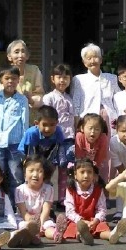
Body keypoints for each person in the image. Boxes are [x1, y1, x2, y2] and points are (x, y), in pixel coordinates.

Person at [60, 158, 126, 245]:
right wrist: (82, 221)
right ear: (75, 175)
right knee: (75, 228)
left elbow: (102, 209)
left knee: (101, 227)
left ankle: (111, 236)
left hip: (93, 220)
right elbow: (69, 211)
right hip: (77, 221)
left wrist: (96, 220)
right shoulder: (71, 189)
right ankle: (82, 236)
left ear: (94, 175)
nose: (86, 176)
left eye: (89, 172)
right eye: (82, 172)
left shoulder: (98, 189)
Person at [0, 65, 30, 199]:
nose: (10, 81)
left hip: (15, 143)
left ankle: (16, 205)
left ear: (18, 80)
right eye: (7, 78)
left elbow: (25, 123)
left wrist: (24, 145)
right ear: (1, 80)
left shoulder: (22, 99)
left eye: (13, 78)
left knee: (16, 176)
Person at [41, 63, 76, 199]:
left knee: (66, 169)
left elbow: (73, 118)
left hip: (68, 138)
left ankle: (63, 199)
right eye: (59, 77)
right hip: (53, 138)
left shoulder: (70, 98)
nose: (62, 80)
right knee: (49, 168)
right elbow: (45, 117)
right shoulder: (49, 97)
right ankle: (45, 198)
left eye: (66, 77)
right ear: (52, 79)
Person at [0, 40, 45, 124]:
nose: (20, 55)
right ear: (9, 56)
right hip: (9, 120)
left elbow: (40, 95)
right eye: (16, 52)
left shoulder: (34, 70)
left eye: (23, 52)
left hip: (31, 120)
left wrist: (31, 100)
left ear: (27, 56)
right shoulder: (4, 73)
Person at [71, 43, 118, 126]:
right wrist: (77, 124)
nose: (92, 61)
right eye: (89, 58)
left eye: (95, 57)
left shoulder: (111, 78)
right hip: (87, 120)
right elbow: (75, 104)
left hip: (109, 121)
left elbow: (118, 99)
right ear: (84, 62)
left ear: (101, 60)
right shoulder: (78, 79)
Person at [14, 155, 54, 246]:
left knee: (49, 226)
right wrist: (33, 224)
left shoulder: (49, 189)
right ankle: (30, 236)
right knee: (22, 226)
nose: (35, 175)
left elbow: (46, 210)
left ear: (44, 174)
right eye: (31, 171)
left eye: (40, 171)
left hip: (42, 218)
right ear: (25, 174)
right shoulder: (19, 190)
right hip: (25, 219)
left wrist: (41, 224)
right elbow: (23, 212)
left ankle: (56, 234)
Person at [18, 105, 67, 177]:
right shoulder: (32, 133)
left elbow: (58, 150)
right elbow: (30, 154)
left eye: (52, 125)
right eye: (44, 125)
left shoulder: (58, 132)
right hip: (27, 155)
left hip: (46, 156)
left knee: (47, 173)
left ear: (57, 123)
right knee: (31, 174)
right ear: (36, 123)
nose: (48, 129)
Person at [75, 113, 110, 181]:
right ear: (82, 128)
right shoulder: (79, 136)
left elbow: (100, 157)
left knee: (96, 180)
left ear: (101, 130)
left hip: (96, 165)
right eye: (90, 128)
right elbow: (79, 156)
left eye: (97, 129)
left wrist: (95, 170)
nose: (93, 132)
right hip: (80, 164)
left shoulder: (103, 138)